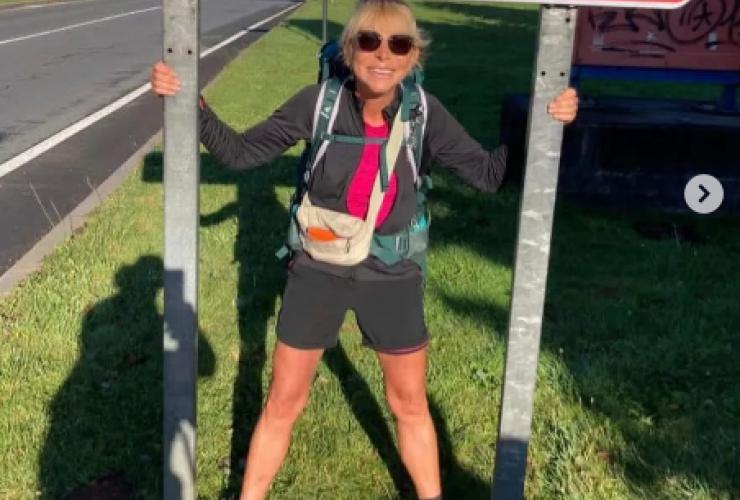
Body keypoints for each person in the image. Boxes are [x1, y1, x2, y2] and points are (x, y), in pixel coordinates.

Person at [151, 0, 578, 498]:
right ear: (350, 50)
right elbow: (241, 153)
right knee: (283, 402)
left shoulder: (423, 113)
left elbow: (487, 175)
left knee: (409, 405)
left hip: (393, 273)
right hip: (318, 269)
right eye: (370, 41)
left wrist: (541, 122)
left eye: (399, 44)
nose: (383, 55)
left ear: (413, 56)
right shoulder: (319, 104)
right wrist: (189, 102)